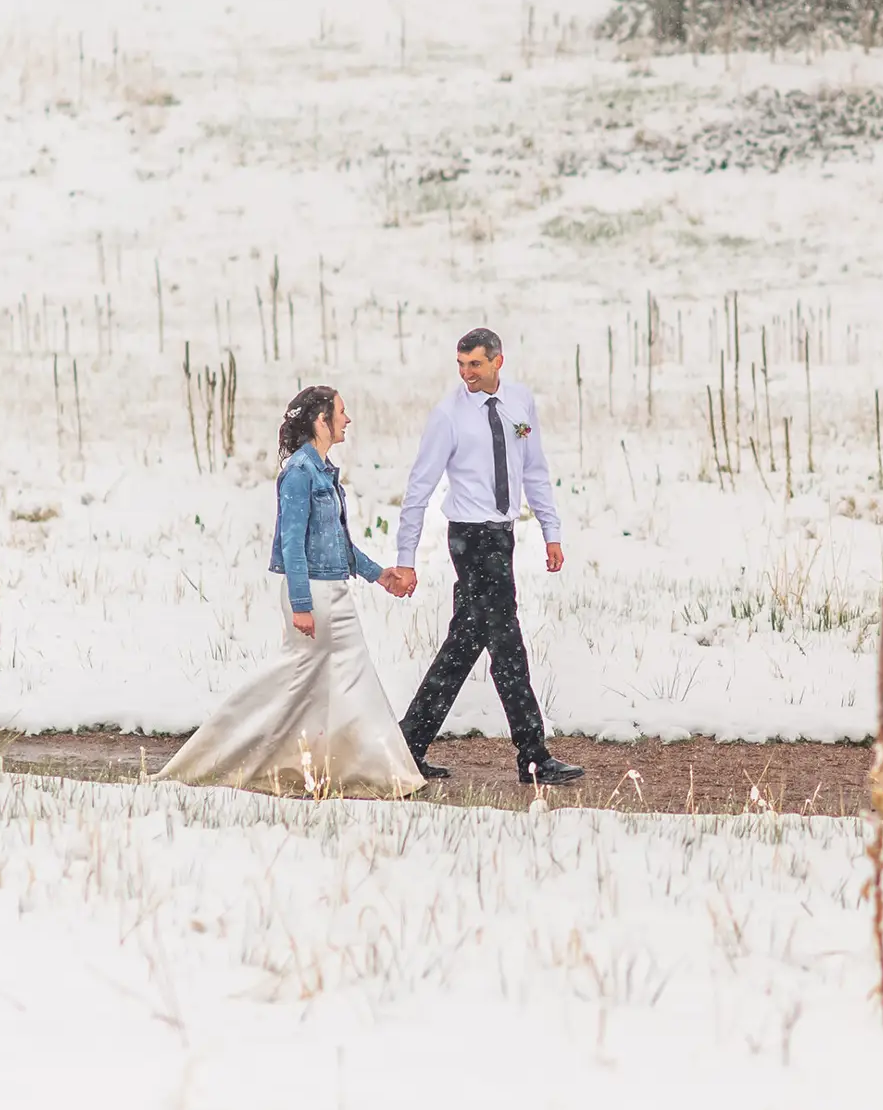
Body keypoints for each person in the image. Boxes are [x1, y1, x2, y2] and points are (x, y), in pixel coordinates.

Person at [163, 386, 425, 797]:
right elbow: (292, 544)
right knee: (308, 681)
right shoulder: (300, 474)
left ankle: (343, 766)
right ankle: (374, 772)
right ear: (321, 421)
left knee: (322, 684)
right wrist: (302, 604)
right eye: (341, 412)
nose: (347, 419)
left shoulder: (321, 470)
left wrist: (378, 574)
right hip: (315, 596)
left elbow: (335, 541)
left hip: (330, 590)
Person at [387, 328, 585, 785]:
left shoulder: (520, 403)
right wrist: (406, 557)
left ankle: (408, 743)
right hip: (471, 541)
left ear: (497, 361)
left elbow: (534, 469)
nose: (466, 374)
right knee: (508, 646)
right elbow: (418, 489)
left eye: (474, 365)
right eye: (460, 365)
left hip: (505, 536)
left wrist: (551, 531)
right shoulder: (448, 416)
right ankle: (533, 757)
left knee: (463, 646)